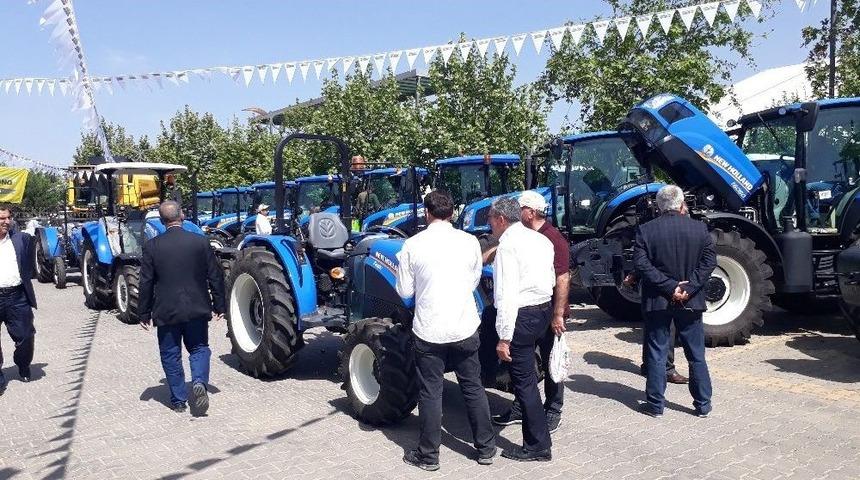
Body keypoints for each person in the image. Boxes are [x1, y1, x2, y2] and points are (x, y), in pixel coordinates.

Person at [395, 190, 496, 471]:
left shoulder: (412, 246)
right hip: (464, 327)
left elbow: (404, 291)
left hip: (429, 330)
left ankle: (429, 456)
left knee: (430, 392)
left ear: (427, 213)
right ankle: (486, 448)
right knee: (473, 388)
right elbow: (475, 278)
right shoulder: (469, 242)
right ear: (451, 213)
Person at [633, 185, 716, 418]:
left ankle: (655, 405)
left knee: (657, 353)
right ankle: (702, 404)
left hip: (658, 301)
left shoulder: (646, 231)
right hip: (691, 300)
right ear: (682, 205)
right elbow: (709, 262)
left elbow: (642, 264)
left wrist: (670, 287)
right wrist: (688, 287)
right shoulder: (699, 229)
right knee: (696, 353)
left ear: (659, 207)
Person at [138, 201, 226, 415]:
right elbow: (215, 275)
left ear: (161, 220)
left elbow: (146, 282)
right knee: (199, 348)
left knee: (170, 353)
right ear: (182, 216)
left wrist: (143, 312)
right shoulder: (200, 242)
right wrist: (219, 304)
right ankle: (199, 382)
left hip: (166, 310)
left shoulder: (152, 246)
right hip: (197, 307)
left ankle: (178, 400)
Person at [492, 191, 569, 433]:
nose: (518, 211)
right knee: (525, 368)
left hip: (544, 312)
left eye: (521, 207)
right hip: (540, 309)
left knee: (549, 362)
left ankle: (552, 411)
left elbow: (563, 278)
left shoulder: (551, 238)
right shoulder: (534, 239)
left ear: (531, 212)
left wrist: (557, 315)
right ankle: (521, 408)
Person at [624, 273, 689, 385]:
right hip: (664, 284)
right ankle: (667, 369)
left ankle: (649, 366)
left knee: (651, 327)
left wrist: (634, 273)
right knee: (667, 327)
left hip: (651, 283)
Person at [0, 205, 38, 395]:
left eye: (8, 218)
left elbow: (29, 265)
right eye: (2, 218)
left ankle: (23, 365)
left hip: (17, 296)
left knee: (26, 336)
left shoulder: (20, 239)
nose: (6, 222)